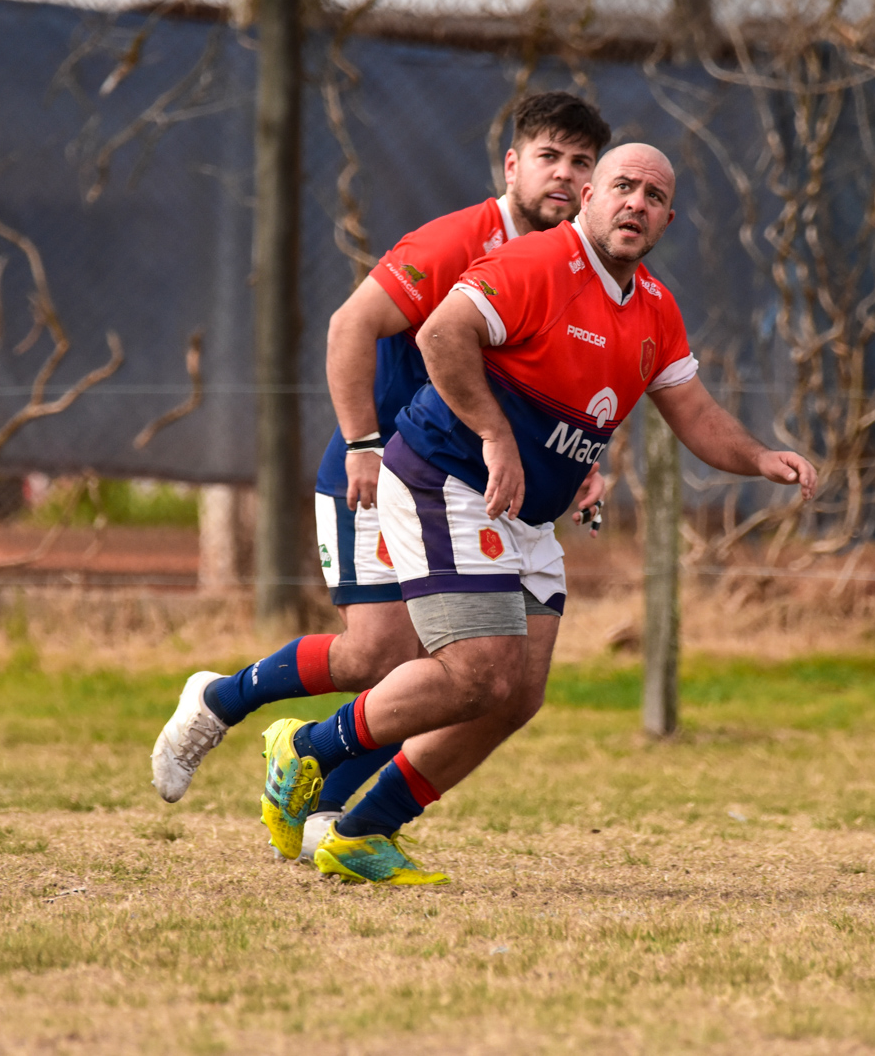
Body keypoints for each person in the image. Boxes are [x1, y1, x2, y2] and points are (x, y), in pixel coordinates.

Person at [258, 143, 818, 885]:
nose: (636, 204)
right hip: (447, 480)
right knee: (475, 673)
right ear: (589, 196)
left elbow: (694, 410)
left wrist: (758, 457)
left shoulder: (653, 305)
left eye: (653, 196)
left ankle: (363, 830)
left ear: (667, 219)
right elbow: (439, 334)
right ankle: (307, 749)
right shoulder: (540, 263)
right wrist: (495, 434)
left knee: (516, 694)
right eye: (623, 186)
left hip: (525, 514)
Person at [151, 93, 613, 854]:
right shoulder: (462, 238)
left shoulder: (575, 268)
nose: (563, 175)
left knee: (467, 672)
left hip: (469, 489)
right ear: (512, 164)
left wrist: (584, 459)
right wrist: (362, 439)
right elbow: (349, 324)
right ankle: (220, 699)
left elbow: (564, 383)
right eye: (548, 157)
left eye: (580, 162)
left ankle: (330, 808)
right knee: (378, 656)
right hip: (387, 467)